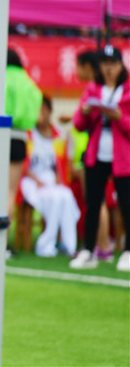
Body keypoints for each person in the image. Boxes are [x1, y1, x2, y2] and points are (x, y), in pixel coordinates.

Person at [0, 48, 42, 257]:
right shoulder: (28, 83)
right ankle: (0, 245)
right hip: (18, 137)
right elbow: (37, 115)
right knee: (9, 192)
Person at [70, 45, 130, 271]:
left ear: (120, 66)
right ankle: (88, 250)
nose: (108, 69)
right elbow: (78, 124)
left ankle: (127, 252)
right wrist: (85, 112)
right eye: (104, 65)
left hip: (123, 157)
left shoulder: (127, 90)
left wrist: (119, 117)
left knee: (126, 204)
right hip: (96, 154)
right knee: (93, 203)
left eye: (112, 65)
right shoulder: (93, 89)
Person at [59, 50, 113, 259]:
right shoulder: (97, 90)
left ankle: (102, 247)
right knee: (96, 200)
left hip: (89, 152)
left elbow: (87, 121)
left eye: (78, 66)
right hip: (92, 150)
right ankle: (101, 246)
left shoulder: (95, 90)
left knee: (95, 200)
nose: (76, 70)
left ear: (88, 67)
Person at [20, 96, 80, 257]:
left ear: (49, 111)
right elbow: (21, 166)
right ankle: (45, 245)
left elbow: (62, 164)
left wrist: (59, 178)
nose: (40, 114)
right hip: (31, 181)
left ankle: (70, 245)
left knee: (66, 196)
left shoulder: (59, 135)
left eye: (43, 109)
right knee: (54, 198)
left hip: (51, 181)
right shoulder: (26, 135)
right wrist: (37, 180)